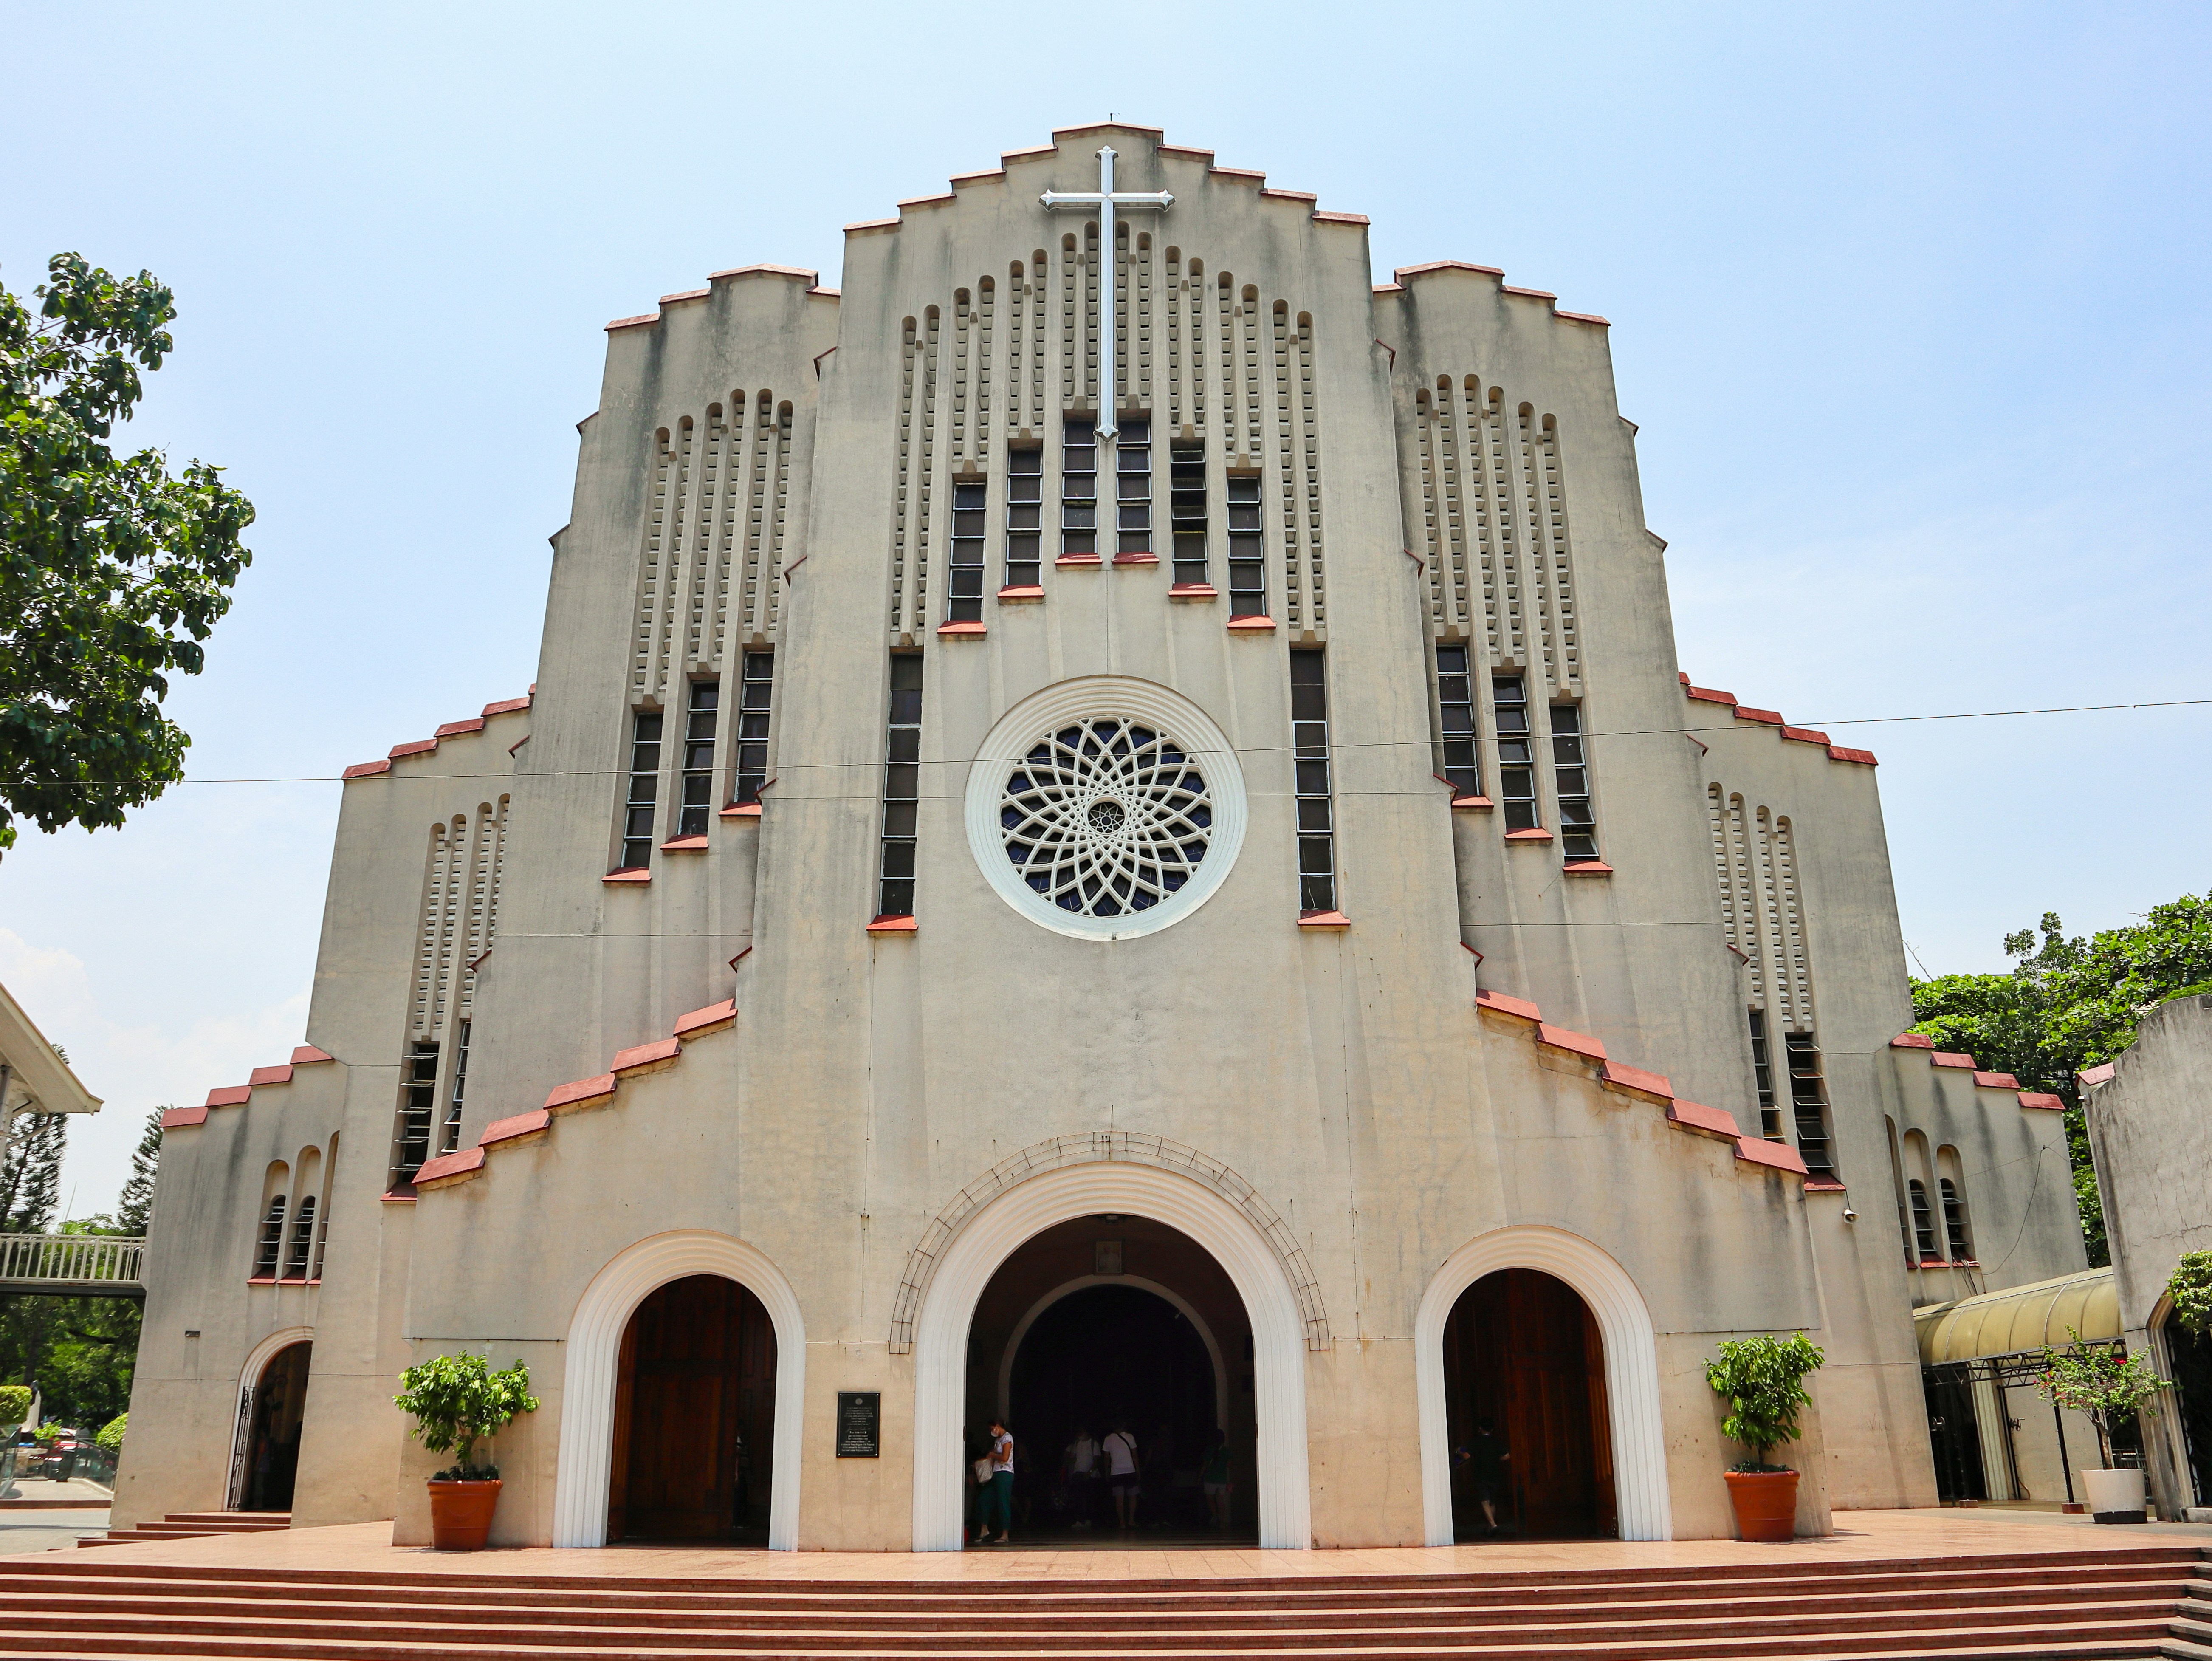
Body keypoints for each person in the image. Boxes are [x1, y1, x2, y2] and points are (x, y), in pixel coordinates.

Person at [1457, 1417, 1511, 1535]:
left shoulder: (1475, 1442)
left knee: (1484, 1500)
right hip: (1495, 1473)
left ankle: (1493, 1525)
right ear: (1492, 1429)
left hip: (1480, 1474)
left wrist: (1458, 1452)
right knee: (1492, 1501)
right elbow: (1507, 1456)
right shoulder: (1496, 1441)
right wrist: (1497, 1460)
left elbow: (1467, 1456)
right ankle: (1490, 1527)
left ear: (1480, 1429)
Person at [978, 1417, 1015, 1545]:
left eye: (992, 1428)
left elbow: (1005, 1458)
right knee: (984, 1498)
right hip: (995, 1473)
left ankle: (1005, 1534)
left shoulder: (1007, 1438)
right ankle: (985, 1529)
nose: (992, 1431)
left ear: (998, 1426)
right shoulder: (998, 1440)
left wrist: (992, 1455)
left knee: (1003, 1502)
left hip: (1005, 1474)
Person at [1102, 1419, 1140, 1531]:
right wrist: (1138, 1471)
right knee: (1133, 1497)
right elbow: (1135, 1456)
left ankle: (1122, 1523)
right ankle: (1131, 1521)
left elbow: (1107, 1458)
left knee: (1119, 1499)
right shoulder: (1130, 1437)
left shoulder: (1108, 1439)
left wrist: (1106, 1472)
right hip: (1130, 1471)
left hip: (1116, 1472)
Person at [1063, 1425, 1100, 1531]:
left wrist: (1090, 1472)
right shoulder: (1077, 1444)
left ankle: (1089, 1519)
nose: (1080, 1435)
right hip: (1078, 1474)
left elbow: (1097, 1460)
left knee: (1089, 1498)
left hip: (1089, 1475)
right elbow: (1074, 1458)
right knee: (1078, 1499)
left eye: (1082, 1432)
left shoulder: (1094, 1444)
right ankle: (1079, 1520)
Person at [1201, 1427, 1232, 1532]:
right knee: (1221, 1500)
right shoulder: (1226, 1451)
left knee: (1210, 1498)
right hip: (1222, 1480)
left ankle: (1215, 1514)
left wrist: (1200, 1477)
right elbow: (1229, 1465)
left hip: (1210, 1478)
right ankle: (1222, 1523)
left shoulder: (1209, 1450)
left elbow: (1205, 1465)